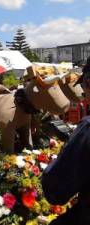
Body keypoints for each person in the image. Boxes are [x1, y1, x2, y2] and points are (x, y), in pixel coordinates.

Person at [41, 56, 90, 225]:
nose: (84, 95)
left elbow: (56, 191)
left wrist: (66, 151)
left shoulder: (87, 129)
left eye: (84, 87)